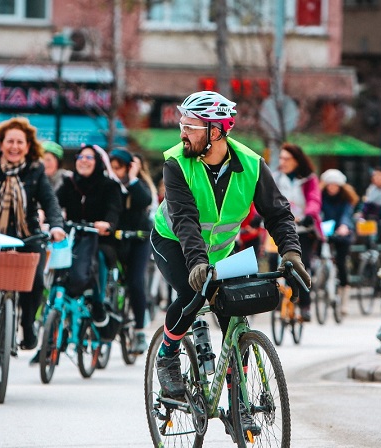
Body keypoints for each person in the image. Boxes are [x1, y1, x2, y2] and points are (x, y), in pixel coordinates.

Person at [152, 91, 310, 429]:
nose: (183, 133)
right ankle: (167, 356)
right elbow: (184, 220)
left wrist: (292, 254)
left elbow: (279, 215)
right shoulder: (176, 163)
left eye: (191, 127)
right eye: (183, 125)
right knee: (191, 295)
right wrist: (196, 262)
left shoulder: (252, 165)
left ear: (217, 131)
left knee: (232, 314)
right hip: (173, 243)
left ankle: (238, 402)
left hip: (220, 252)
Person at [0, 117, 67, 366]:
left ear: (28, 146)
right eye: (10, 142)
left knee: (36, 280)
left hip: (27, 233)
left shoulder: (36, 170)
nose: (15, 147)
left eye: (20, 142)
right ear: (0, 144)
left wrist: (57, 226)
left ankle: (28, 327)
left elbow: (49, 201)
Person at [55, 143, 123, 334]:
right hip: (74, 238)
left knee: (99, 258)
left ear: (98, 163)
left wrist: (107, 224)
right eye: (80, 157)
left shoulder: (109, 185)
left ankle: (98, 301)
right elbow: (54, 203)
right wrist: (46, 216)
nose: (84, 161)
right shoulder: (69, 183)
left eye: (89, 157)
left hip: (100, 239)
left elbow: (114, 211)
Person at [109, 148, 154, 353]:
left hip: (139, 240)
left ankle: (139, 330)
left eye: (119, 167)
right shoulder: (110, 185)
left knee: (136, 282)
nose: (115, 171)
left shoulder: (141, 185)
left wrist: (133, 179)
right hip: (116, 239)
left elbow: (144, 201)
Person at [272, 142, 321, 321]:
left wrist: (310, 214)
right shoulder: (276, 177)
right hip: (280, 229)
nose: (282, 162)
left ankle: (305, 305)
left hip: (303, 229)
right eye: (281, 158)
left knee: (303, 264)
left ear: (297, 160)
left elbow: (314, 200)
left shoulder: (308, 179)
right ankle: (276, 299)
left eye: (287, 158)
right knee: (272, 261)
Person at [319, 168, 359, 303]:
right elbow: (318, 212)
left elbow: (346, 215)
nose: (332, 187)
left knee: (341, 262)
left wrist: (344, 226)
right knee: (318, 256)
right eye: (329, 184)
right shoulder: (321, 196)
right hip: (325, 232)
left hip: (342, 234)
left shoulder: (345, 199)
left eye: (335, 185)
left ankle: (344, 295)